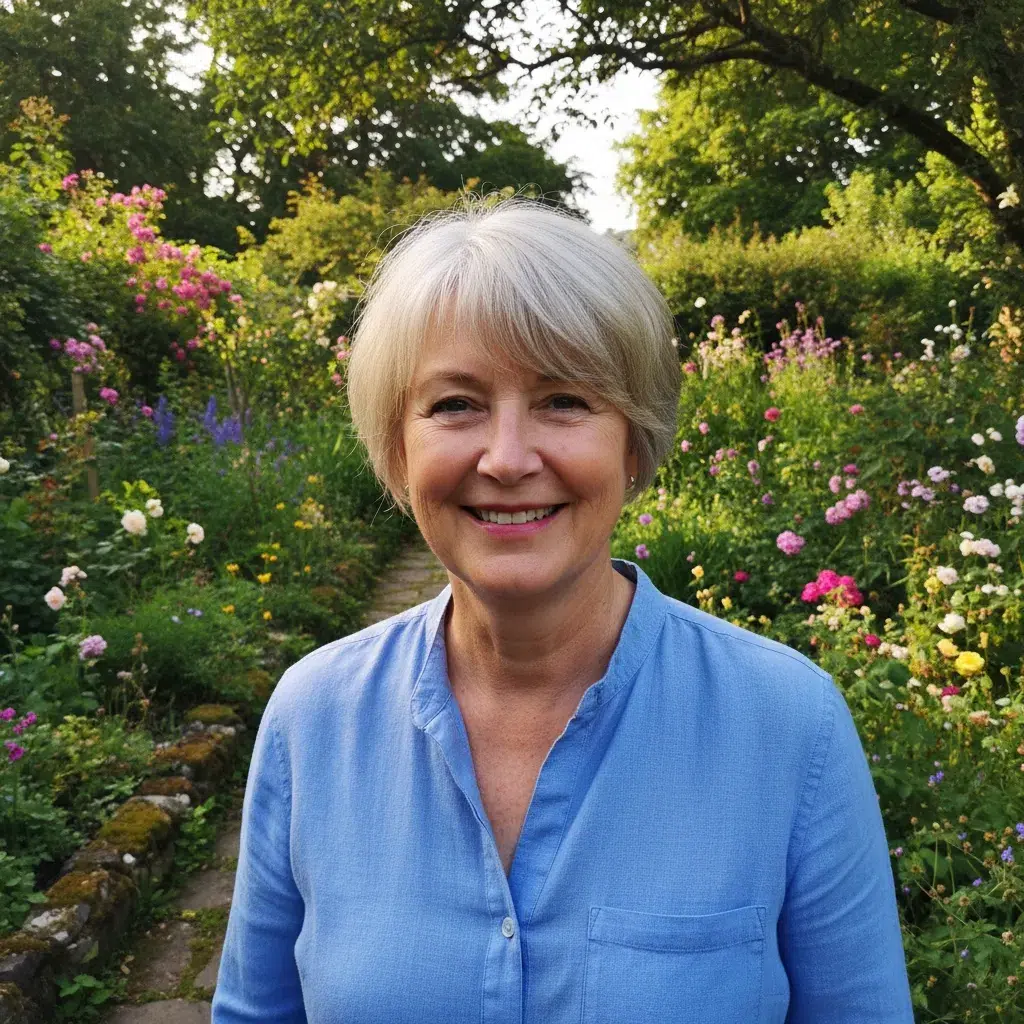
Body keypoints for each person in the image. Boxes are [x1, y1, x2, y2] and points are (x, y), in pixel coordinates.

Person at [212, 197, 914, 1023]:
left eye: (565, 401)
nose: (507, 459)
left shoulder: (790, 725)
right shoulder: (314, 717)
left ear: (634, 440)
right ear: (398, 447)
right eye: (455, 404)